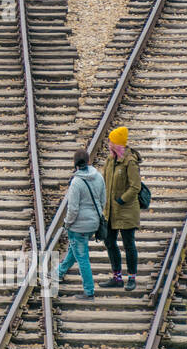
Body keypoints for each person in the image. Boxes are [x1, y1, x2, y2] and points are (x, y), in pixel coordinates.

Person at [55, 149, 106, 299]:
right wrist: (94, 218)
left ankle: (89, 291)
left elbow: (73, 208)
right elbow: (103, 201)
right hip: (93, 224)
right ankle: (58, 273)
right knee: (75, 249)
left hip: (78, 226)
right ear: (88, 161)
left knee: (82, 257)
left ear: (75, 164)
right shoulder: (98, 177)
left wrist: (67, 223)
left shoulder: (76, 182)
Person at [102, 126, 142, 291]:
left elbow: (135, 186)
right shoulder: (110, 161)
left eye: (111, 141)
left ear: (116, 144)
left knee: (128, 244)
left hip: (126, 211)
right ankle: (117, 277)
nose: (108, 143)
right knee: (109, 242)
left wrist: (121, 199)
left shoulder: (129, 162)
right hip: (110, 211)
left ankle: (131, 278)